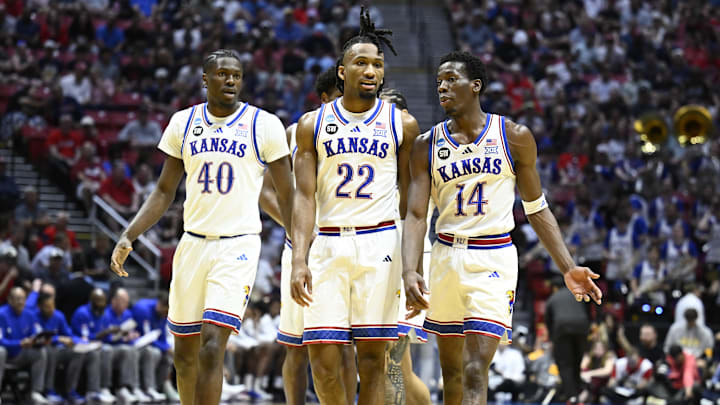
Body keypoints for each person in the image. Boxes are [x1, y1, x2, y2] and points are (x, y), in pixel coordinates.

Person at [401, 51, 602, 405]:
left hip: (493, 259)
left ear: (475, 86)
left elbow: (537, 208)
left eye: (451, 80)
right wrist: (410, 269)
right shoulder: (426, 145)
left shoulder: (513, 136)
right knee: (452, 375)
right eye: (438, 83)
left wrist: (568, 267)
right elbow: (417, 216)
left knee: (476, 368)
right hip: (445, 256)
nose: (442, 88)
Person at [110, 49, 294, 405]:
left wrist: (302, 244)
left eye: (236, 75)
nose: (230, 80)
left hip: (237, 245)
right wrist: (129, 234)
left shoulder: (264, 124)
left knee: (212, 346)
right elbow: (164, 191)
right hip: (192, 243)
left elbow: (287, 196)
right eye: (222, 74)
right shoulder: (183, 122)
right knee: (184, 353)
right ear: (205, 80)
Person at [290, 9, 420, 404]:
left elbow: (410, 199)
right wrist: (299, 258)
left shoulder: (403, 124)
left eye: (377, 64)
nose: (370, 70)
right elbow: (303, 196)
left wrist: (412, 265)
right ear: (342, 72)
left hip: (380, 245)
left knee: (373, 363)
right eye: (360, 62)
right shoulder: (312, 124)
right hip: (328, 245)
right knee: (324, 363)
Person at [262, 67, 357, 405]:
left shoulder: (361, 132)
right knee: (296, 345)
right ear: (325, 98)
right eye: (341, 96)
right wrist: (297, 228)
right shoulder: (297, 131)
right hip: (302, 248)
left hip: (343, 245)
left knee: (343, 345)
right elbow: (264, 191)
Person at [378, 87, 431, 405]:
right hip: (375, 256)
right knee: (391, 364)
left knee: (392, 362)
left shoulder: (420, 157)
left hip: (407, 261)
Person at [35, 291, 91, 404]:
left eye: (53, 306)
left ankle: (71, 391)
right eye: (47, 307)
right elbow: (37, 338)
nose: (51, 309)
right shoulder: (33, 316)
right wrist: (58, 339)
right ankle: (48, 390)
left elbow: (69, 334)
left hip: (58, 351)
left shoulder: (58, 315)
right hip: (40, 350)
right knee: (51, 351)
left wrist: (81, 342)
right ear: (39, 306)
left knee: (78, 352)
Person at [70, 288, 120, 403]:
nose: (101, 304)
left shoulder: (105, 314)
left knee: (107, 350)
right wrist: (101, 334)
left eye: (103, 301)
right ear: (92, 301)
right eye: (98, 301)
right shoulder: (82, 313)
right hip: (81, 347)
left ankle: (104, 388)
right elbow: (83, 337)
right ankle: (92, 390)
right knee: (95, 354)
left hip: (99, 346)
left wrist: (118, 335)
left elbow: (107, 339)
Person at [0, 287, 49, 405]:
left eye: (22, 299)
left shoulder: (29, 315)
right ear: (9, 300)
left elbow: (34, 334)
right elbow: (0, 340)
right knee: (0, 351)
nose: (20, 302)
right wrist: (19, 343)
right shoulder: (1, 314)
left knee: (40, 352)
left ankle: (35, 392)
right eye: (17, 299)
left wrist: (38, 341)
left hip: (20, 355)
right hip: (5, 355)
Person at [131, 293, 173, 401]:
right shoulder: (143, 309)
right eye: (165, 312)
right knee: (153, 352)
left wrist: (169, 349)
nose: (165, 315)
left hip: (150, 343)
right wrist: (165, 348)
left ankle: (159, 387)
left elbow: (161, 336)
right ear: (160, 305)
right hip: (136, 342)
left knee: (168, 357)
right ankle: (147, 388)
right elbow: (147, 337)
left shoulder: (163, 313)